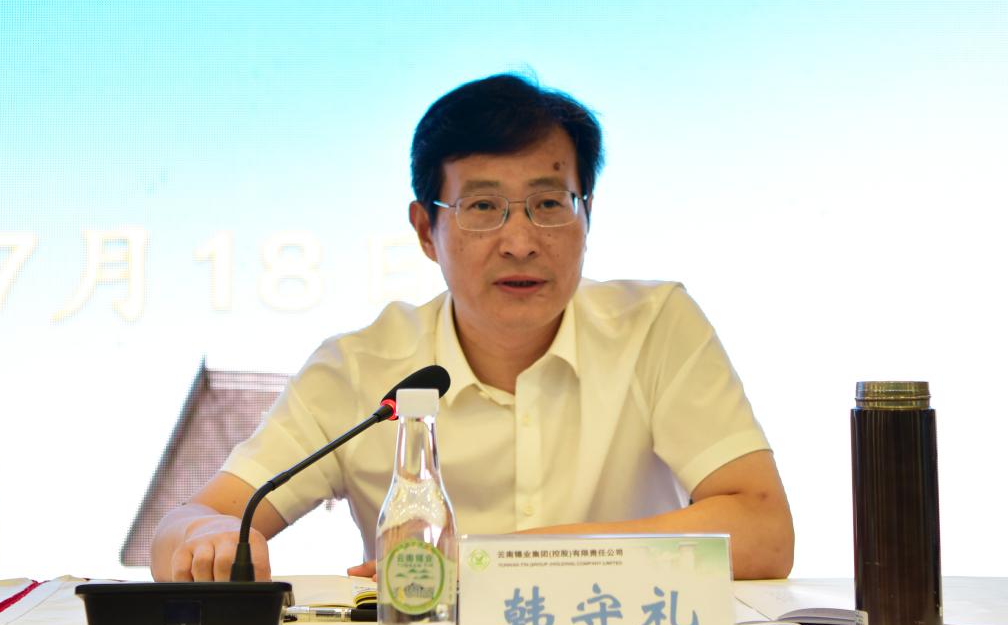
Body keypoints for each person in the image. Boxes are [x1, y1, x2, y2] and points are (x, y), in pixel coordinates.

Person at [151, 74, 794, 583]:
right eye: (483, 206)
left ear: (587, 215)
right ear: (425, 231)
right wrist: (205, 537)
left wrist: (491, 563)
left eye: (548, 203)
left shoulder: (655, 328)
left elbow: (763, 531)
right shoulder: (360, 369)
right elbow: (192, 521)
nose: (520, 241)